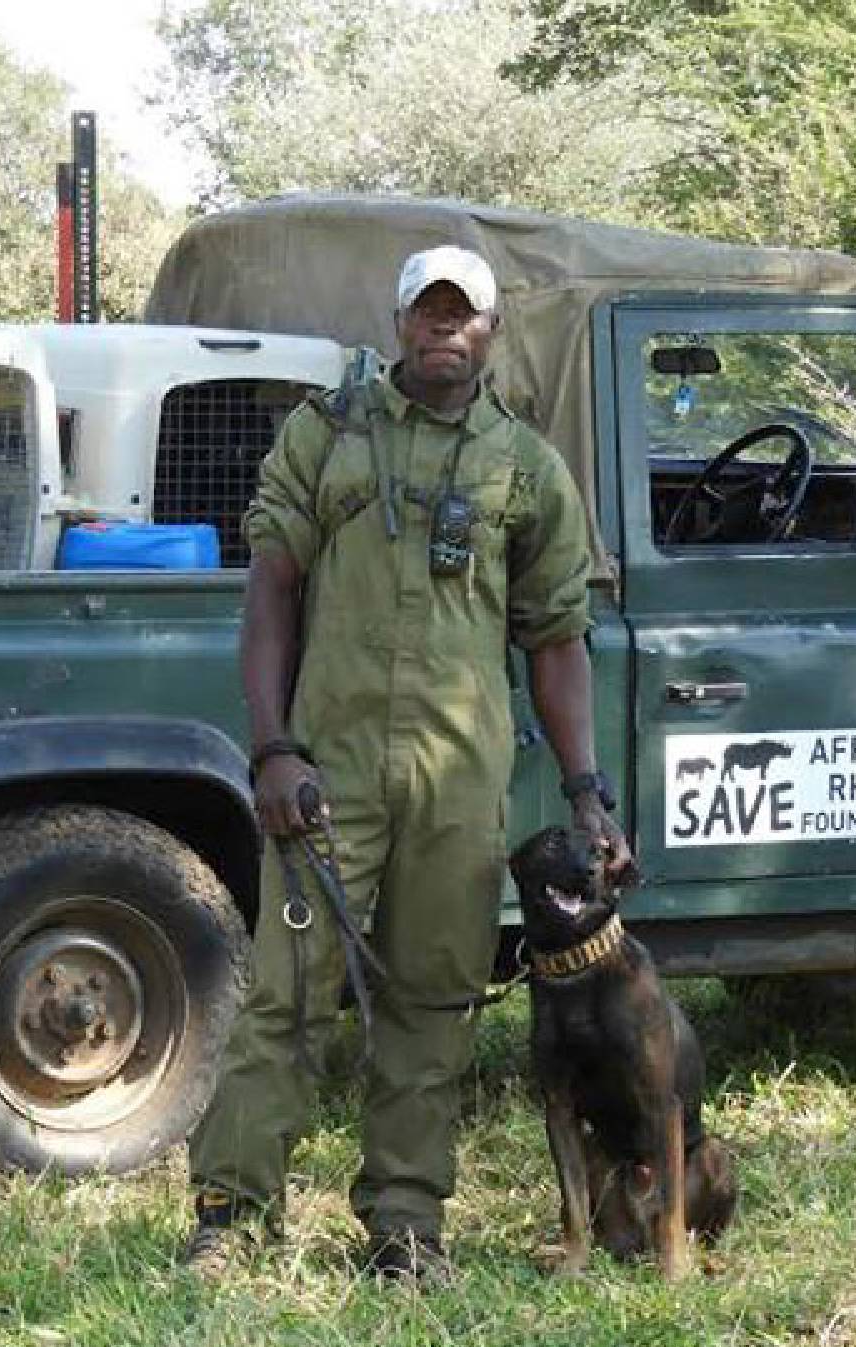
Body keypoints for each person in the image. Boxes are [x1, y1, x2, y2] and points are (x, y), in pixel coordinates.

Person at [181, 245, 634, 1284]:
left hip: (457, 784)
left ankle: (406, 1226)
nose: (444, 328)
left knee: (433, 1004)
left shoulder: (525, 467)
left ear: (490, 332)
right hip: (326, 777)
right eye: (427, 311)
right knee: (287, 999)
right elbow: (271, 592)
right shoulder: (324, 435)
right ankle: (230, 1220)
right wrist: (272, 747)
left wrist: (585, 791)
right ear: (397, 324)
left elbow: (555, 639)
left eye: (463, 314)